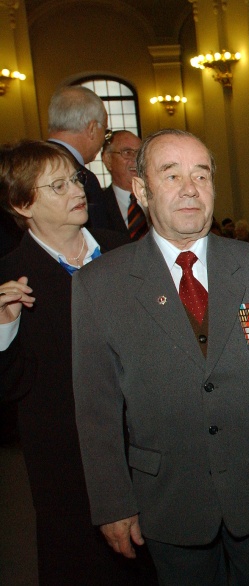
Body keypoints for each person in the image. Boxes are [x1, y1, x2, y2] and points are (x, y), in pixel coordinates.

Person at [71, 129, 249, 586]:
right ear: (142, 189)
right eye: (171, 175)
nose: (190, 188)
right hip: (169, 497)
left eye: (201, 175)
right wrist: (113, 502)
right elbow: (96, 410)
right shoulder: (100, 286)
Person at [0, 140, 153, 584]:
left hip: (142, 446)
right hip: (66, 463)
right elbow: (10, 390)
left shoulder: (122, 250)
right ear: (21, 203)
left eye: (76, 179)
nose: (77, 190)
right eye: (58, 185)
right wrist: (5, 330)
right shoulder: (10, 277)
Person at [47, 85, 113, 230]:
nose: (104, 139)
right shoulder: (82, 179)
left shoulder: (26, 167)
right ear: (92, 129)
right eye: (105, 131)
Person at [100, 130, 148, 240]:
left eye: (140, 154)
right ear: (108, 160)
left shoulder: (159, 198)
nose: (136, 160)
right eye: (127, 152)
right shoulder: (97, 206)